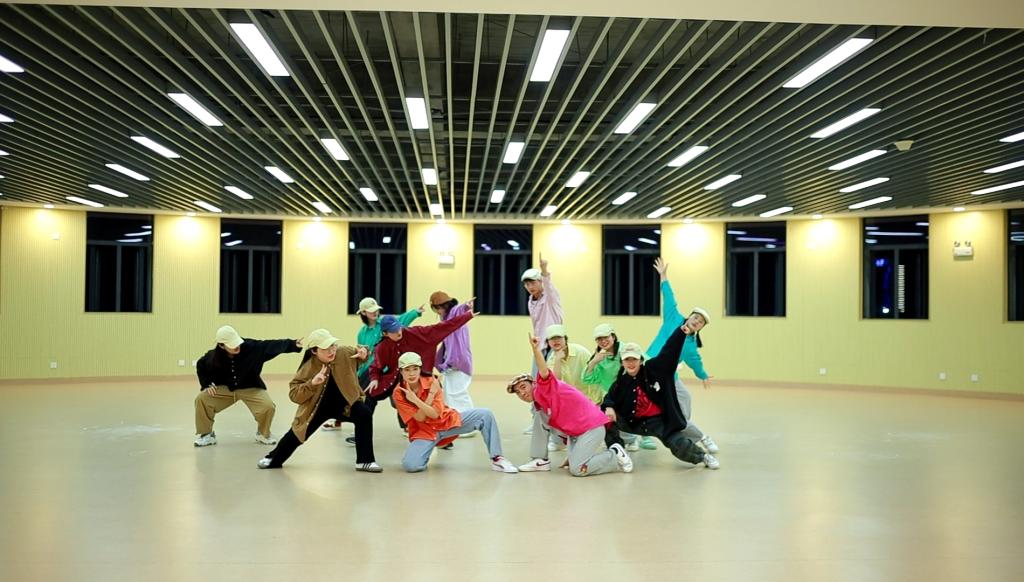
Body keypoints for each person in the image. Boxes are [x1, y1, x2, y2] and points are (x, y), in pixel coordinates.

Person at [257, 329, 381, 472]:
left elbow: (361, 353)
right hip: (318, 407)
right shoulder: (308, 367)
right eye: (326, 348)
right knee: (298, 433)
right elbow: (294, 394)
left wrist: (365, 352)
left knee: (364, 414)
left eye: (333, 345)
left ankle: (365, 461)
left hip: (347, 404)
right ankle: (273, 458)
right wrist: (312, 383)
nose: (331, 351)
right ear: (314, 351)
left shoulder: (344, 352)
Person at [508, 335, 633, 477]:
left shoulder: (544, 388)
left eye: (523, 387)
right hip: (577, 433)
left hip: (591, 428)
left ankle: (614, 455)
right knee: (541, 416)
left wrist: (535, 349)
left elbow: (543, 371)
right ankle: (540, 460)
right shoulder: (540, 403)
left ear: (534, 384)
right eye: (518, 392)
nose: (522, 393)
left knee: (577, 469)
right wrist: (573, 454)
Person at [601, 330, 720, 470]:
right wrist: (608, 406)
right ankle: (618, 452)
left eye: (634, 359)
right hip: (633, 423)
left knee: (678, 444)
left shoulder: (653, 371)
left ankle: (703, 456)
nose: (631, 363)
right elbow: (609, 398)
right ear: (622, 362)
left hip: (658, 422)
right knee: (605, 418)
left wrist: (681, 332)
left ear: (641, 360)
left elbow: (669, 351)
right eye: (627, 360)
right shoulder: (621, 382)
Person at [392, 352, 518, 473]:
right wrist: (420, 397)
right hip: (424, 432)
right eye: (407, 370)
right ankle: (425, 450)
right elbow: (420, 417)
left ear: (420, 369)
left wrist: (419, 399)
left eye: (415, 369)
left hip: (447, 422)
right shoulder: (399, 393)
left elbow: (435, 414)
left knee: (485, 415)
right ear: (401, 372)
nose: (411, 373)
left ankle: (497, 458)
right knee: (411, 466)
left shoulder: (432, 382)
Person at [647, 257, 719, 453]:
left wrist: (703, 375)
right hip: (651, 366)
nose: (696, 321)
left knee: (685, 397)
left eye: (700, 322)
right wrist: (663, 277)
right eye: (695, 317)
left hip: (669, 375)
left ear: (701, 327)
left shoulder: (690, 344)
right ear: (689, 316)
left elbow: (696, 362)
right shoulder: (673, 318)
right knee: (647, 401)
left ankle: (684, 428)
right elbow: (669, 297)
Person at [322, 297, 422, 434]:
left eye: (376, 310)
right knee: (357, 397)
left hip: (390, 369)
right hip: (370, 371)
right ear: (363, 313)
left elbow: (402, 320)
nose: (375, 312)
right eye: (371, 311)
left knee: (399, 397)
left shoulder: (385, 325)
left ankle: (407, 426)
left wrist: (416, 312)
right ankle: (342, 422)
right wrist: (357, 373)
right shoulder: (362, 333)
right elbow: (362, 353)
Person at [193, 325, 301, 447]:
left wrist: (292, 344)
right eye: (232, 344)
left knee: (268, 406)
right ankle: (207, 435)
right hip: (225, 389)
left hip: (250, 387)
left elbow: (269, 345)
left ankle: (262, 433)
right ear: (221, 345)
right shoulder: (212, 356)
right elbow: (200, 365)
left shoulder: (251, 347)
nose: (237, 346)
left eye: (237, 342)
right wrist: (206, 384)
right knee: (202, 399)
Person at [366, 304, 476, 401]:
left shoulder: (415, 333)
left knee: (411, 399)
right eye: (393, 331)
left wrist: (467, 316)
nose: (398, 332)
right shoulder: (382, 347)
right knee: (370, 394)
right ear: (385, 333)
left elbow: (442, 327)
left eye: (399, 328)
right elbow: (376, 366)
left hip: (420, 378)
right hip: (394, 380)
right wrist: (374, 379)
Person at [580, 323, 641, 452]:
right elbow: (587, 378)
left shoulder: (626, 349)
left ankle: (632, 439)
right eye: (599, 339)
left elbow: (643, 363)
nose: (603, 341)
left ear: (613, 336)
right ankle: (615, 443)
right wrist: (594, 361)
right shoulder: (599, 356)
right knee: (607, 417)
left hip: (630, 391)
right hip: (610, 396)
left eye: (606, 337)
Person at [521, 254, 563, 434]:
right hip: (540, 347)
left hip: (554, 346)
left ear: (540, 282)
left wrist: (544, 269)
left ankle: (556, 421)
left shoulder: (551, 297)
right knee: (535, 383)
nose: (530, 286)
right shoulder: (531, 301)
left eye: (533, 282)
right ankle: (537, 421)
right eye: (527, 284)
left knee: (555, 384)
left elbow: (549, 284)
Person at [543, 323, 595, 452]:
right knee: (548, 408)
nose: (556, 341)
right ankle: (559, 441)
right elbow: (555, 382)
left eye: (559, 338)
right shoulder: (552, 358)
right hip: (569, 400)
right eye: (552, 339)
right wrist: (558, 360)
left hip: (588, 398)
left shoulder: (580, 352)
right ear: (548, 342)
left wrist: (594, 400)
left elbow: (594, 375)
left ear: (565, 339)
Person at [430, 291, 475, 412]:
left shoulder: (453, 314)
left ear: (444, 306)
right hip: (451, 364)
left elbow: (459, 310)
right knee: (449, 395)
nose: (438, 312)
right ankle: (455, 419)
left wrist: (466, 306)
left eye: (438, 308)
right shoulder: (446, 320)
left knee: (458, 394)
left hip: (459, 362)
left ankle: (471, 419)